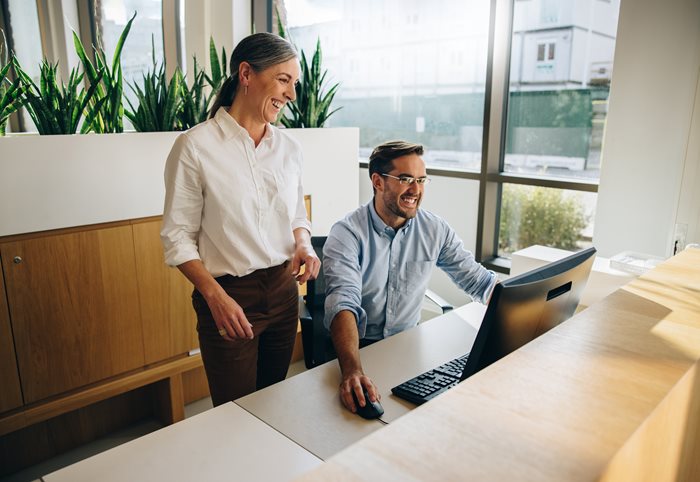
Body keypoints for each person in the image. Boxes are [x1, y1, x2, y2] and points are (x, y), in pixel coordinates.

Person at [161, 32, 320, 406]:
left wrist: (303, 244)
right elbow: (177, 237)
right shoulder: (195, 147)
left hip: (283, 292)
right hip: (229, 296)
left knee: (272, 402)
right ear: (246, 74)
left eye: (294, 84)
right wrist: (214, 297)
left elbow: (296, 213)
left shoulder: (289, 148)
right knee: (234, 414)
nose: (291, 95)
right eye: (284, 80)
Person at [323, 140, 497, 414]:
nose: (416, 190)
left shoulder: (434, 229)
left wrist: (522, 310)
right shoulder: (347, 234)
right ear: (378, 182)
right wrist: (353, 371)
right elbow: (343, 301)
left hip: (410, 347)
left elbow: (479, 282)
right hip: (361, 350)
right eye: (405, 179)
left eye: (421, 180)